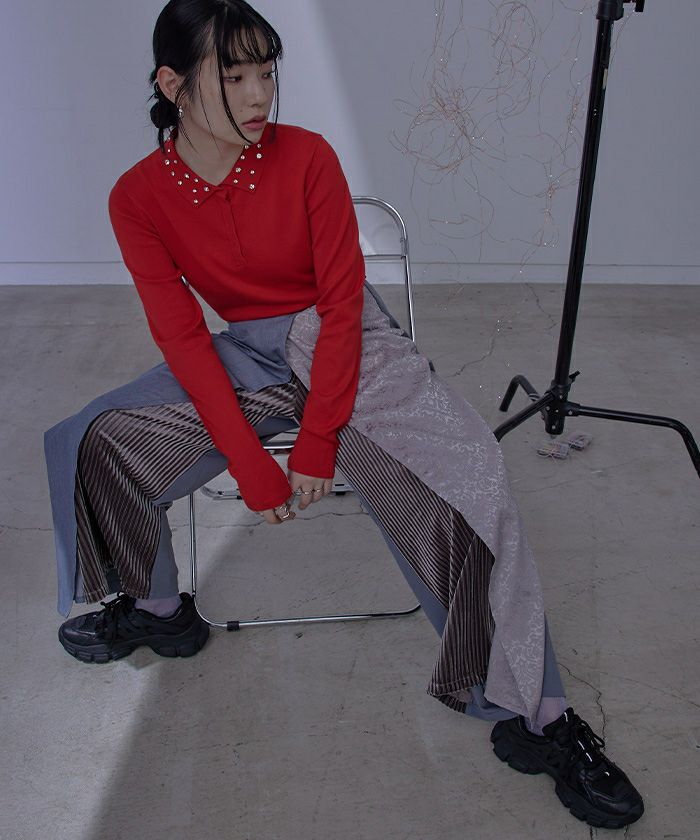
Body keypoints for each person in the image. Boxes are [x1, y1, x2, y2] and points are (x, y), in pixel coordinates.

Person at [43, 0, 644, 830]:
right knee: (94, 440)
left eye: (266, 73)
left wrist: (318, 443)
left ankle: (541, 716)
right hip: (248, 355)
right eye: (234, 75)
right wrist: (252, 465)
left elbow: (339, 303)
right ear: (172, 85)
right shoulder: (138, 197)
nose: (260, 94)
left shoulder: (307, 157)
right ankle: (156, 611)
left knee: (471, 478)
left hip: (349, 344)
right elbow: (183, 338)